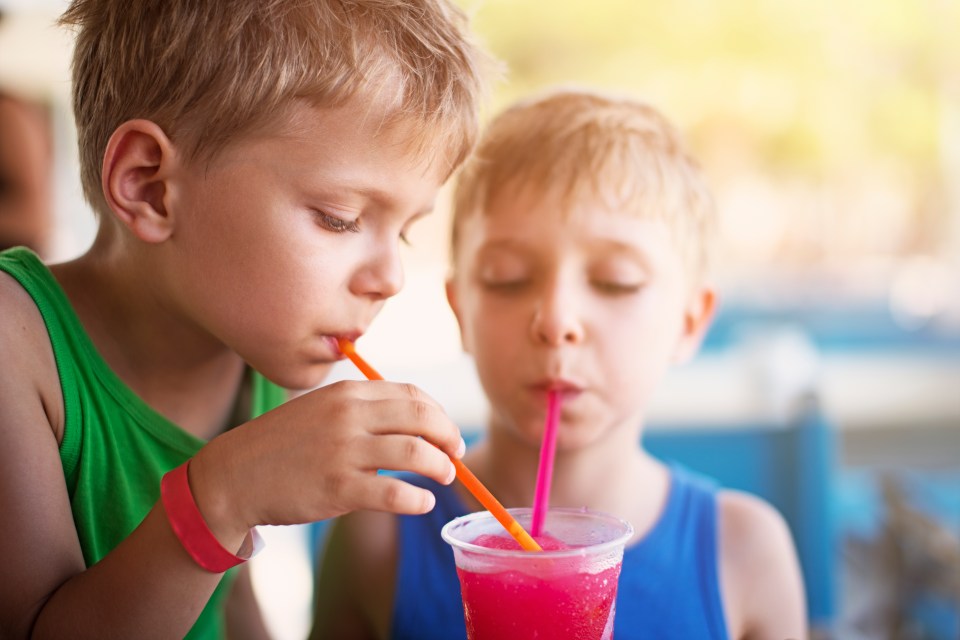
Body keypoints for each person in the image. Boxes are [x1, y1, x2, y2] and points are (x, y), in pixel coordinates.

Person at [0, 0, 491, 637]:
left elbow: (227, 604)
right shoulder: (16, 347)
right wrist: (221, 499)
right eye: (340, 217)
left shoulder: (253, 359)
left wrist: (232, 508)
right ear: (151, 186)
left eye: (405, 231)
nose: (390, 279)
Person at [312, 89, 808, 640]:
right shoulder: (379, 538)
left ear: (690, 321)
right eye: (508, 278)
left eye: (615, 281)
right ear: (460, 311)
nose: (556, 319)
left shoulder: (745, 553)